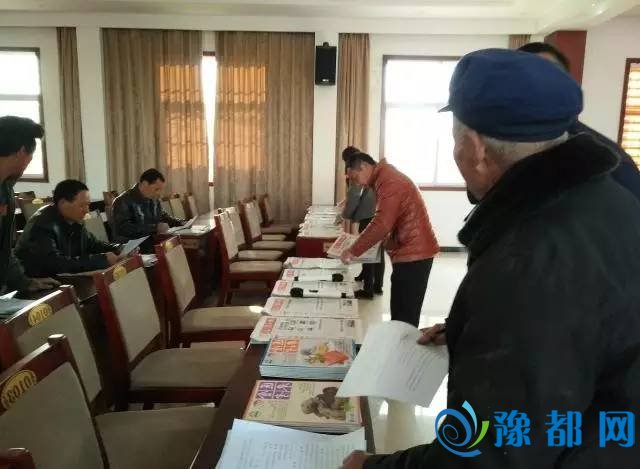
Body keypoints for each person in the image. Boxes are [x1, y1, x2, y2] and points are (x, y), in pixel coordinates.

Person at [342, 49, 640, 469]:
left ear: (476, 148)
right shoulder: (609, 197)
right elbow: (583, 323)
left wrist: (370, 467)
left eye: (455, 138)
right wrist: (473, 327)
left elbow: (489, 454)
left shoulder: (526, 258)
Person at [519, 42, 640, 202]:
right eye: (526, 76)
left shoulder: (609, 163)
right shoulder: (500, 146)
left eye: (550, 74)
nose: (539, 84)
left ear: (568, 86)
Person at [340, 152, 439, 326]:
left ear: (363, 166)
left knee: (405, 316)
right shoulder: (384, 177)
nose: (357, 184)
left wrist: (353, 250)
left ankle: (403, 343)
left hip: (414, 253)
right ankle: (399, 340)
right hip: (408, 250)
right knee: (400, 312)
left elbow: (382, 223)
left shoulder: (389, 181)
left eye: (355, 178)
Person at [0, 116, 59, 294]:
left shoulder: (6, 188)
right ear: (21, 152)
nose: (30, 161)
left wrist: (24, 282)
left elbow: (3, 248)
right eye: (31, 156)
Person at [15, 179, 122, 277]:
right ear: (63, 203)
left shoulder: (74, 220)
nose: (87, 210)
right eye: (81, 206)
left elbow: (92, 244)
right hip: (37, 282)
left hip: (63, 277)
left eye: (88, 205)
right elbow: (54, 264)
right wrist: (100, 260)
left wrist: (118, 248)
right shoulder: (43, 224)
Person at [340, 146, 384, 299]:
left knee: (367, 251)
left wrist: (345, 215)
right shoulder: (373, 167)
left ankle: (368, 289)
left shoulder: (355, 171)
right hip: (378, 212)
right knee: (378, 252)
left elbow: (354, 196)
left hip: (367, 214)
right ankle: (377, 286)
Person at [111, 168, 185, 252]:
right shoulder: (122, 201)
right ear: (145, 184)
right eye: (156, 189)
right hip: (134, 248)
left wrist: (181, 223)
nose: (159, 193)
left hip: (152, 242)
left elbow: (163, 216)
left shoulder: (153, 199)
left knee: (179, 247)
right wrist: (154, 228)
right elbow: (124, 228)